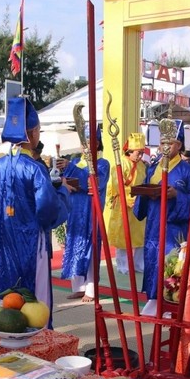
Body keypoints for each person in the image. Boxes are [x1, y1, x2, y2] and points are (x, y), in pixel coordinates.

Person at [0, 98, 70, 327]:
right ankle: (39, 338)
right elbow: (48, 211)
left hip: (2, 242)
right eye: (38, 130)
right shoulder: (34, 168)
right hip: (32, 242)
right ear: (32, 132)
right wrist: (63, 192)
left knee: (6, 290)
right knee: (35, 296)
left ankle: (4, 331)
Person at [134, 118, 190, 316]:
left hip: (173, 226)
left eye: (171, 143)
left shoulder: (188, 170)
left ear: (179, 145)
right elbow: (146, 186)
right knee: (152, 258)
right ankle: (153, 299)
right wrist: (143, 192)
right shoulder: (153, 166)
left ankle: (170, 302)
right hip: (153, 221)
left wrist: (177, 195)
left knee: (171, 262)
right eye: (163, 142)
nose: (166, 146)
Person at [59, 129, 110, 302]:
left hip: (91, 212)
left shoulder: (102, 164)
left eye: (88, 141)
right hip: (74, 211)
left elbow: (93, 183)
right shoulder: (75, 161)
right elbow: (66, 182)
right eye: (83, 141)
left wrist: (71, 169)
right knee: (74, 246)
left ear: (96, 143)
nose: (85, 145)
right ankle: (78, 287)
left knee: (91, 248)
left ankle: (91, 289)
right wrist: (62, 172)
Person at [106, 132, 147, 276]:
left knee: (140, 234)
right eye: (138, 152)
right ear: (129, 151)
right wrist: (130, 198)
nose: (140, 155)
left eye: (142, 152)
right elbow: (118, 184)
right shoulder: (120, 163)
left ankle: (138, 263)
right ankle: (122, 265)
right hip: (124, 202)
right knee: (123, 235)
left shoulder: (141, 165)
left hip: (139, 203)